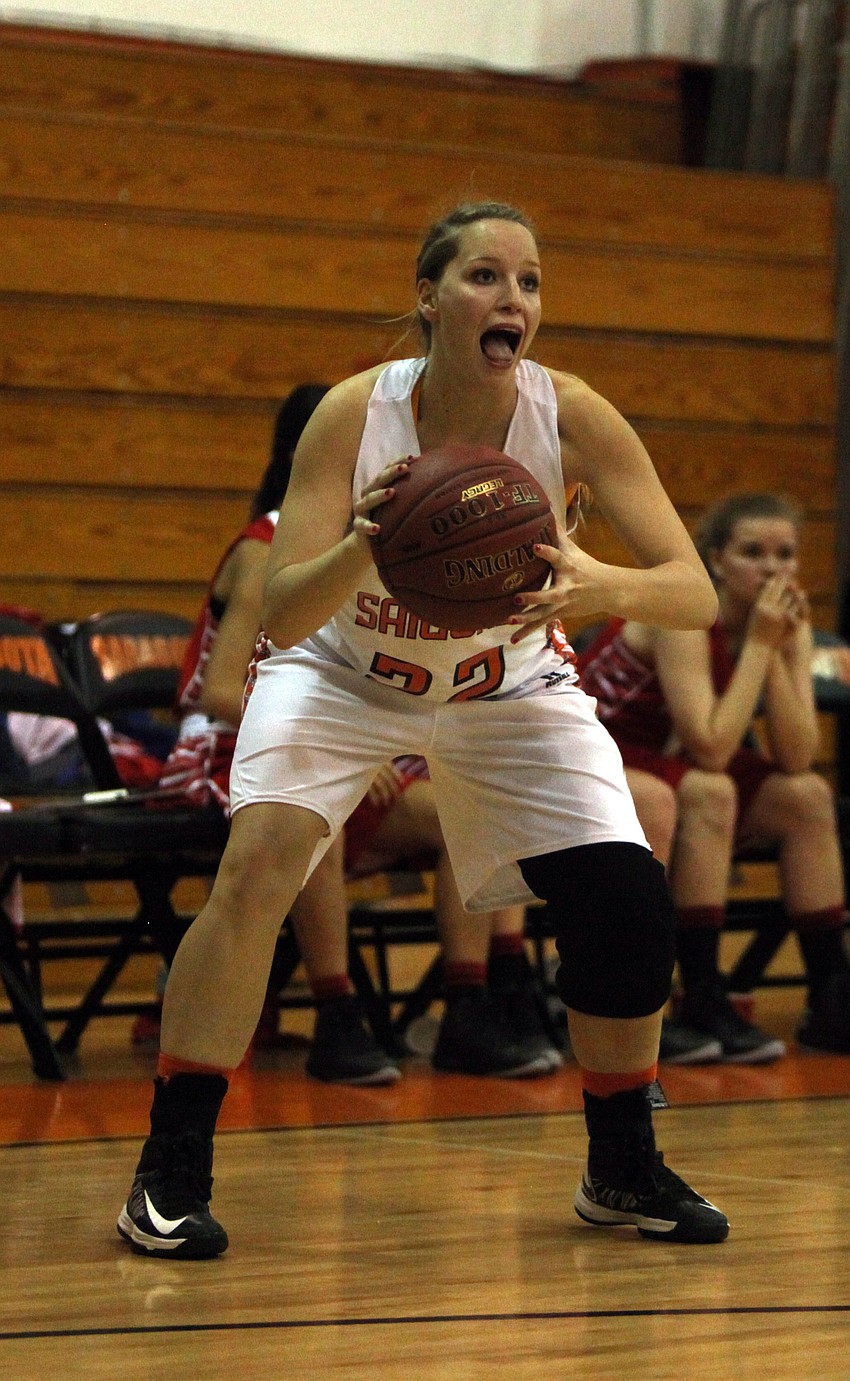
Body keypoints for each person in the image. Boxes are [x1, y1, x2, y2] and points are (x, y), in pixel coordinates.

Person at [116, 200, 729, 1260]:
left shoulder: (571, 414)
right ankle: (167, 1174)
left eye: (530, 281)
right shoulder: (355, 414)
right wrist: (366, 544)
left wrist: (594, 581)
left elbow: (693, 590)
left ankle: (620, 1165)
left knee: (627, 902)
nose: (514, 299)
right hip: (342, 671)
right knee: (259, 866)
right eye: (486, 276)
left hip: (506, 681)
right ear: (430, 297)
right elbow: (285, 612)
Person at [156, 384, 559, 1083]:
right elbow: (221, 690)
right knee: (312, 815)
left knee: (465, 811)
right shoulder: (264, 551)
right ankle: (337, 1014)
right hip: (224, 742)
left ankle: (470, 1003)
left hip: (336, 738)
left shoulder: (397, 540)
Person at [578, 491, 850, 1062]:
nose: (773, 569)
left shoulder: (784, 625)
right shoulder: (686, 612)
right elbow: (708, 745)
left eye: (786, 554)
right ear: (716, 559)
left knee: (806, 796)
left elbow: (798, 756)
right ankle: (699, 990)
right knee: (711, 790)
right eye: (753, 552)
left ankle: (831, 994)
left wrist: (774, 653)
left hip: (672, 762)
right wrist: (759, 647)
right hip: (602, 754)